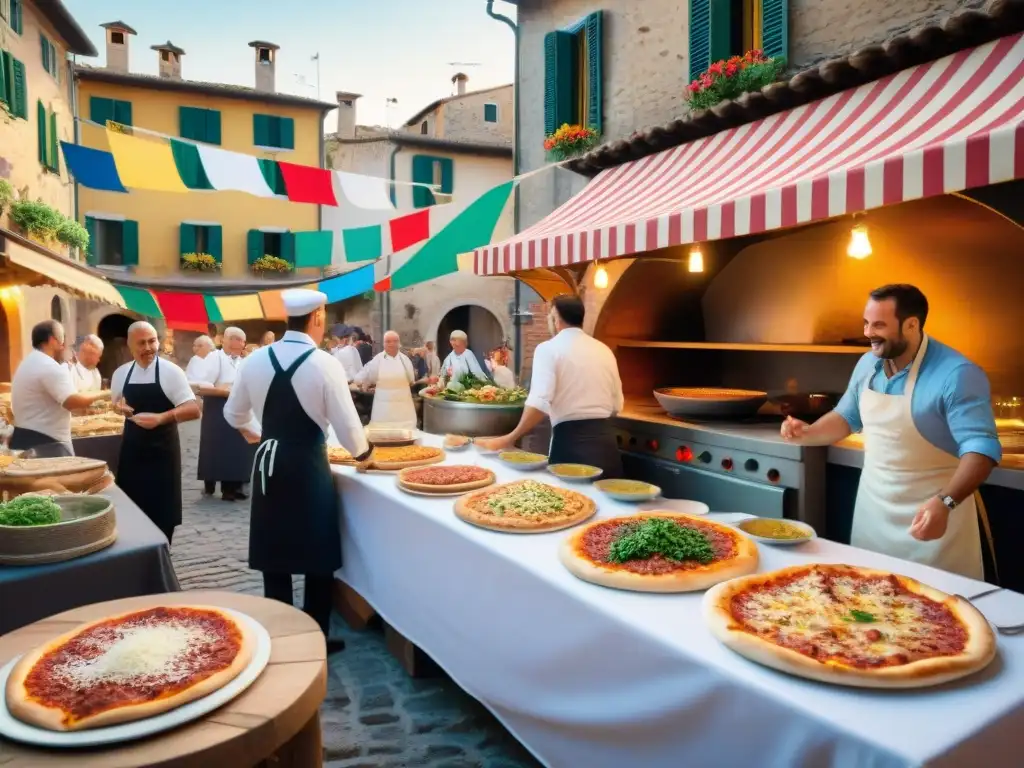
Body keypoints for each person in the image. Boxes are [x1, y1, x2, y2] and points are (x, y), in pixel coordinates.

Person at [781, 284, 1000, 579]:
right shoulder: (868, 363)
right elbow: (846, 417)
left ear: (911, 325)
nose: (869, 332)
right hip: (873, 514)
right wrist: (807, 433)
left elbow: (981, 450)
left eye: (879, 325)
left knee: (937, 614)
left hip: (933, 519)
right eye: (866, 323)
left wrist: (945, 503)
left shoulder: (958, 374)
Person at [224, 289, 371, 654]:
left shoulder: (254, 361)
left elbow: (233, 414)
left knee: (275, 551)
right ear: (318, 317)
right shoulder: (325, 364)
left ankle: (282, 634)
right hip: (308, 464)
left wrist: (258, 435)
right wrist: (367, 455)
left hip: (268, 463)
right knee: (317, 551)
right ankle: (316, 635)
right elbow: (351, 432)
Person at [477, 295, 625, 477]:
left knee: (572, 504)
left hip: (571, 448)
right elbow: (617, 405)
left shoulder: (548, 349)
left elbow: (539, 402)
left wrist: (510, 438)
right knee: (608, 506)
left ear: (555, 318)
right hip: (607, 449)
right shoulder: (604, 350)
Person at [111, 322, 200, 543]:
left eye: (152, 341)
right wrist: (119, 408)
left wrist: (161, 418)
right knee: (132, 511)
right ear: (130, 346)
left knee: (162, 514)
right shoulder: (121, 374)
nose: (149, 347)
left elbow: (193, 409)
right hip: (132, 450)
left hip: (163, 452)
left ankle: (161, 557)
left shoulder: (171, 372)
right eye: (142, 343)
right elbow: (117, 403)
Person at [10, 321, 112, 456]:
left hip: (24, 437)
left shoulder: (28, 362)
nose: (64, 347)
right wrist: (107, 393)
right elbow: (72, 401)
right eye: (62, 342)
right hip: (47, 443)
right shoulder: (48, 365)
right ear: (52, 340)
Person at [196, 327, 255, 501]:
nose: (239, 343)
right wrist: (223, 390)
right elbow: (203, 385)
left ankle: (234, 486)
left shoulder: (244, 361)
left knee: (237, 447)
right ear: (225, 340)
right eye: (235, 339)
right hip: (217, 405)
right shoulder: (215, 357)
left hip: (238, 405)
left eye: (241, 340)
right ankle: (212, 482)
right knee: (217, 446)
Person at [355, 331, 417, 429]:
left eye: (395, 341)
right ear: (383, 344)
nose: (391, 344)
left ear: (399, 343)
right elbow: (361, 377)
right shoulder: (377, 360)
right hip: (383, 411)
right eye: (388, 341)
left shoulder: (405, 361)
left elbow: (411, 381)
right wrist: (363, 384)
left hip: (404, 411)